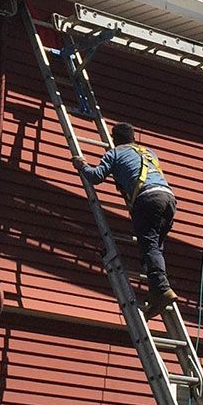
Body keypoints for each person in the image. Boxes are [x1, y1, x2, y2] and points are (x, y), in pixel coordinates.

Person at [77, 122, 178, 316]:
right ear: (133, 137)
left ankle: (162, 289)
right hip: (168, 199)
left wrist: (81, 165)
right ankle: (157, 291)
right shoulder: (148, 152)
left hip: (148, 198)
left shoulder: (115, 153)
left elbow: (96, 176)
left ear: (115, 139)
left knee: (149, 245)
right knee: (155, 246)